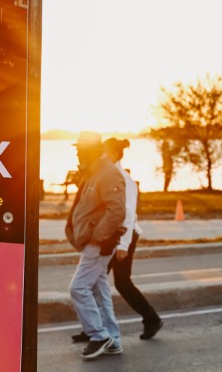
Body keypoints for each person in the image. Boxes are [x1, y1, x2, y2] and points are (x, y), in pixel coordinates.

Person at [65, 131, 126, 359]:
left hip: (99, 243)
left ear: (92, 150)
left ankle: (99, 336)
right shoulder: (93, 171)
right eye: (77, 149)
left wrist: (97, 236)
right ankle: (113, 339)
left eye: (81, 150)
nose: (77, 154)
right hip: (93, 241)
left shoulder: (108, 173)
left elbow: (117, 210)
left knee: (78, 288)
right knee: (100, 293)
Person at [103, 137, 163, 340]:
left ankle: (151, 319)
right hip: (113, 236)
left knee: (118, 282)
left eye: (104, 152)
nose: (101, 156)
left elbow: (128, 214)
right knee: (99, 282)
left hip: (124, 236)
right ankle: (94, 326)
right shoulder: (108, 175)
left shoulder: (124, 179)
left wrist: (123, 245)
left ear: (113, 153)